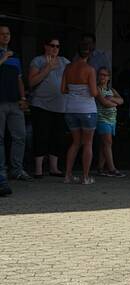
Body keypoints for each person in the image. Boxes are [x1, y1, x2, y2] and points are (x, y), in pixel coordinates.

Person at [28, 35, 70, 178]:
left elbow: (74, 75)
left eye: (57, 46)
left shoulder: (64, 61)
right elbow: (31, 82)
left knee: (57, 137)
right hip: (41, 105)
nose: (55, 49)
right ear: (46, 46)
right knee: (41, 136)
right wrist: (47, 68)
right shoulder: (38, 60)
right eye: (52, 45)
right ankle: (39, 170)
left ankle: (54, 168)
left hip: (60, 106)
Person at [61, 41, 98, 184]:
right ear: (90, 54)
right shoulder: (90, 69)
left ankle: (68, 175)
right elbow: (94, 92)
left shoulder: (68, 68)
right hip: (87, 109)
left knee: (75, 142)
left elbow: (63, 89)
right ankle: (85, 177)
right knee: (88, 143)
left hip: (70, 109)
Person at [0, 24, 31, 181]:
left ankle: (17, 169)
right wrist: (3, 57)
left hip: (15, 102)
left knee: (20, 136)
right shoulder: (6, 56)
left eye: (8, 33)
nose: (5, 36)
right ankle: (1, 172)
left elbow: (19, 79)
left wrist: (23, 98)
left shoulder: (16, 57)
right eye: (2, 34)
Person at [95, 67, 125, 177]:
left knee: (104, 144)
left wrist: (111, 99)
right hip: (102, 119)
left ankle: (100, 167)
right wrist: (114, 103)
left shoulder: (111, 90)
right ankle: (112, 168)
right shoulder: (97, 89)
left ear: (109, 77)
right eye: (100, 74)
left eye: (105, 75)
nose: (102, 77)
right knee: (108, 143)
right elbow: (104, 103)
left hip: (112, 120)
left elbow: (121, 100)